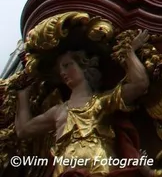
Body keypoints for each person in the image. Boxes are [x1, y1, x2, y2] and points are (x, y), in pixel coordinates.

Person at [15, 31, 151, 176]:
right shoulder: (58, 111)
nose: (63, 72)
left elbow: (140, 83)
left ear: (83, 65)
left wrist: (129, 53)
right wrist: (22, 94)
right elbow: (24, 130)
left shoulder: (101, 102)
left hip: (98, 164)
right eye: (60, 69)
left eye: (67, 65)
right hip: (64, 168)